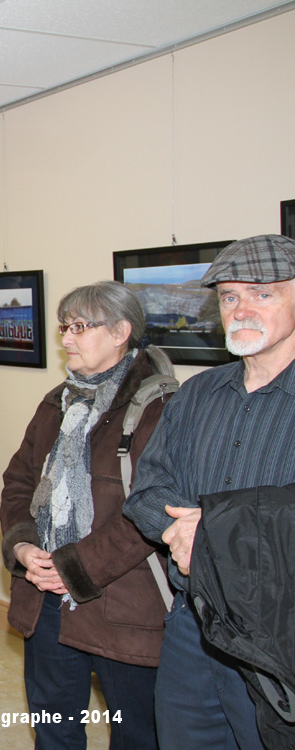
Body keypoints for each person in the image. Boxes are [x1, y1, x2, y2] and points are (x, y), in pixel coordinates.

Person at [124, 234, 295, 750]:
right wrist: (182, 532)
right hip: (191, 626)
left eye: (262, 294)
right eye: (228, 296)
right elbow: (148, 488)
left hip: (277, 636)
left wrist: (216, 538)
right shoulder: (197, 393)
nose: (241, 309)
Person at [0, 281, 174, 750]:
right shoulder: (58, 401)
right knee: (55, 727)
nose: (66, 339)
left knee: (137, 733)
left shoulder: (158, 407)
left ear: (121, 332)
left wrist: (71, 567)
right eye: (64, 327)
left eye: (80, 327)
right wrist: (21, 545)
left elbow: (152, 509)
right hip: (47, 599)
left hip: (125, 605)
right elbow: (17, 482)